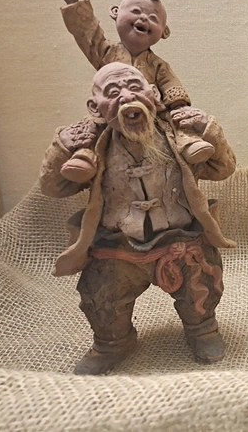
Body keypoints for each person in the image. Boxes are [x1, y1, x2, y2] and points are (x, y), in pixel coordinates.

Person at [40, 63, 236, 375]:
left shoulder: (179, 137)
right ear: (96, 108)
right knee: (102, 299)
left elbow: (223, 168)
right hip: (117, 248)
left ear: (153, 94)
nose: (126, 97)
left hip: (181, 241)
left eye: (134, 87)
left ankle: (202, 329)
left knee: (201, 288)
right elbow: (53, 187)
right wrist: (64, 146)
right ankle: (112, 343)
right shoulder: (93, 147)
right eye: (112, 92)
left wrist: (209, 128)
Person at [53, 0, 213, 183]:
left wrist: (179, 107)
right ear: (115, 13)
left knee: (176, 122)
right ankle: (84, 158)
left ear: (164, 32)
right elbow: (87, 35)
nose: (144, 18)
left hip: (151, 117)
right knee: (92, 127)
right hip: (111, 116)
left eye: (153, 18)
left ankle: (189, 144)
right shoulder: (106, 53)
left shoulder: (158, 65)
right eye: (136, 11)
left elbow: (172, 88)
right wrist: (73, 1)